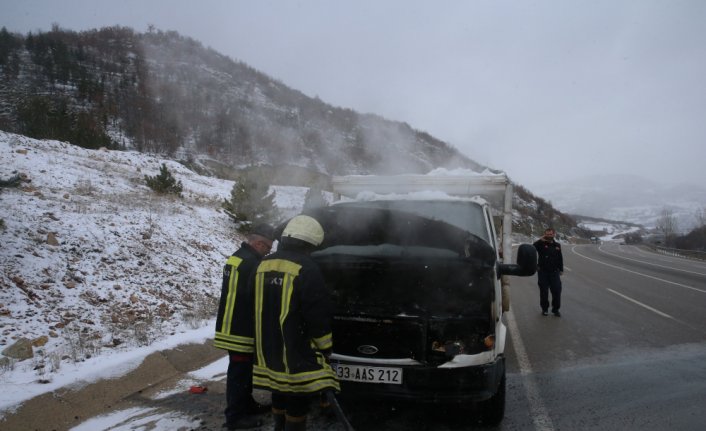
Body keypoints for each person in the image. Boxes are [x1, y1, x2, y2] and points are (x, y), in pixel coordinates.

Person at [247, 215, 339, 431]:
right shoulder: (307, 268)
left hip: (267, 349)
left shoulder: (262, 265)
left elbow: (251, 299)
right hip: (295, 350)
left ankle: (279, 427)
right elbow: (316, 314)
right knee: (297, 400)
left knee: (278, 392)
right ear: (311, 242)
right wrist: (326, 347)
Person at [214, 224, 275, 430]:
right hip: (242, 328)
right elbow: (258, 296)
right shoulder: (253, 263)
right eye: (268, 247)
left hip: (231, 323)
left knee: (244, 370)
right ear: (258, 243)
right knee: (239, 374)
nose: (269, 251)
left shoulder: (238, 257)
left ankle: (247, 405)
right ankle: (235, 418)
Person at [533, 227, 564, 317]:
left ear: (554, 234)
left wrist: (561, 269)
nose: (549, 235)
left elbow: (560, 258)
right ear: (545, 234)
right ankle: (545, 309)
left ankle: (555, 309)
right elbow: (532, 247)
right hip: (543, 272)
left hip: (554, 272)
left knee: (557, 291)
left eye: (551, 234)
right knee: (544, 292)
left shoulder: (557, 245)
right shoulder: (540, 244)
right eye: (547, 234)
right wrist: (540, 240)